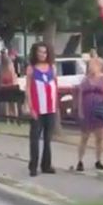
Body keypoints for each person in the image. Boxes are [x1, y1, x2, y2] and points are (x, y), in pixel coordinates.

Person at [25, 42, 58, 176]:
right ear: (35, 53)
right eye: (40, 52)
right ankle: (33, 166)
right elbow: (28, 89)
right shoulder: (31, 69)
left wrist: (56, 105)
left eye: (44, 52)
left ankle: (46, 165)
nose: (42, 55)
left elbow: (55, 85)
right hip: (38, 109)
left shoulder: (52, 67)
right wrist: (31, 107)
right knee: (35, 139)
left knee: (47, 139)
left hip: (50, 109)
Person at [75, 56, 103, 171]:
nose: (91, 68)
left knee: (99, 138)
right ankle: (80, 160)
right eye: (90, 65)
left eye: (94, 65)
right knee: (84, 137)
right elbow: (80, 96)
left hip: (99, 111)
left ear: (99, 66)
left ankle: (98, 160)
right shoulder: (85, 80)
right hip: (87, 110)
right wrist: (80, 110)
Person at [0, 49, 22, 123]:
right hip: (11, 86)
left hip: (6, 86)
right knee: (13, 104)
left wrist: (3, 85)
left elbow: (1, 80)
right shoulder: (9, 64)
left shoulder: (3, 66)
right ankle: (14, 119)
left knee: (8, 105)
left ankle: (8, 120)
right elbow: (13, 77)